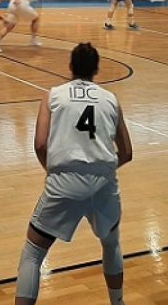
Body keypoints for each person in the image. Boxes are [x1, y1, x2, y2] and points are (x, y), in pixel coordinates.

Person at [15, 42, 133, 305]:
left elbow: (40, 145)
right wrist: (101, 168)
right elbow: (126, 152)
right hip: (104, 182)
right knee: (111, 243)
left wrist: (53, 171)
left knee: (33, 253)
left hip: (64, 181)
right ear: (97, 69)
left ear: (70, 66)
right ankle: (118, 302)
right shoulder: (111, 100)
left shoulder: (53, 96)